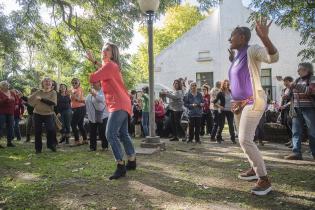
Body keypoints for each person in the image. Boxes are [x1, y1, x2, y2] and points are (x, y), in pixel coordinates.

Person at [228, 19, 279, 195]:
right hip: (238, 105)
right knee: (244, 140)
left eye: (232, 36)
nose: (229, 39)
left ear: (242, 37)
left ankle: (264, 180)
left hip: (253, 101)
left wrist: (265, 38)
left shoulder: (252, 49)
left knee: (244, 139)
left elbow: (273, 57)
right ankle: (253, 169)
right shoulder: (236, 56)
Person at [87, 42, 136, 180]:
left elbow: (94, 78)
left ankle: (120, 165)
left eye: (107, 50)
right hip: (123, 102)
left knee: (110, 134)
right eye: (103, 49)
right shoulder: (113, 66)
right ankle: (132, 161)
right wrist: (94, 61)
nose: (104, 51)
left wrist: (92, 67)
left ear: (113, 53)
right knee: (123, 133)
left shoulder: (109, 66)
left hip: (118, 103)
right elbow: (103, 68)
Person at [284, 63, 315, 160]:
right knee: (296, 131)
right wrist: (288, 94)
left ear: (307, 70)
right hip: (297, 108)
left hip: (309, 108)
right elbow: (291, 94)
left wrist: (295, 86)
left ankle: (314, 153)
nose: (297, 71)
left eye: (300, 69)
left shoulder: (312, 79)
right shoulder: (297, 80)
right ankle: (296, 152)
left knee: (312, 132)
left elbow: (310, 91)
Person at [28, 77, 57, 153]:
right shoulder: (38, 92)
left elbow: (53, 103)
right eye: (45, 81)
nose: (47, 83)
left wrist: (41, 99)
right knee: (37, 131)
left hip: (49, 114)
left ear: (51, 84)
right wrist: (22, 97)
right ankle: (38, 149)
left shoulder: (53, 92)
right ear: (42, 84)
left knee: (50, 130)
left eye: (49, 81)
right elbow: (30, 100)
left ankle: (50, 145)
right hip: (37, 114)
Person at [85, 81, 109, 151]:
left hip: (102, 115)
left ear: (99, 83)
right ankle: (92, 147)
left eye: (95, 82)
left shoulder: (103, 91)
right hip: (91, 116)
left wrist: (95, 94)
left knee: (102, 132)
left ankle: (105, 146)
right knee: (92, 132)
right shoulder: (90, 93)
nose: (92, 84)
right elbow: (87, 101)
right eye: (92, 83)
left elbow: (102, 100)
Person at [70, 78, 88, 146]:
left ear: (79, 83)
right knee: (80, 125)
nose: (74, 84)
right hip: (78, 108)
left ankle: (77, 141)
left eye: (76, 83)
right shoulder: (74, 89)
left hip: (79, 108)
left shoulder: (79, 89)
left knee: (73, 124)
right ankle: (85, 139)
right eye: (73, 83)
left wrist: (71, 93)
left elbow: (77, 99)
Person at [0, 81, 16, 148]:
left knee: (10, 127)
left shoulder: (11, 92)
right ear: (1, 86)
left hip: (11, 112)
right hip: (1, 112)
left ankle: (9, 142)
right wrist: (7, 98)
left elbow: (16, 99)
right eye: (5, 85)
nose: (7, 86)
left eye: (8, 85)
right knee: (0, 127)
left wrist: (15, 103)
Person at [279, 76, 294, 147]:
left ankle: (294, 142)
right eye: (284, 81)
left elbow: (292, 100)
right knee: (285, 123)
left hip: (290, 109)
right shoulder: (284, 89)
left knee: (290, 124)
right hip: (284, 109)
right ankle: (290, 139)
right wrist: (280, 106)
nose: (285, 83)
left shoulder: (292, 89)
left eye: (286, 81)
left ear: (290, 81)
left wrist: (284, 106)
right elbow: (282, 99)